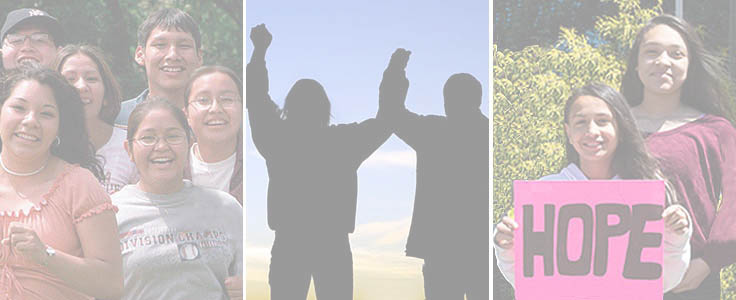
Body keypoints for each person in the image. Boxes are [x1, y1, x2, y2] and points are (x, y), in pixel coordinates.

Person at [493, 83, 692, 294]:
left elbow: (664, 281)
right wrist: (506, 247)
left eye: (603, 121)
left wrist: (676, 237)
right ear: (568, 132)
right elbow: (529, 280)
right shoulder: (543, 192)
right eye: (580, 122)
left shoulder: (647, 195)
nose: (591, 131)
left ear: (621, 129)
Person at [246, 24, 394, 299]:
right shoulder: (342, 142)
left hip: (289, 242)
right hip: (333, 244)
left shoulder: (278, 139)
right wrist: (394, 75)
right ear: (325, 109)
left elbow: (255, 98)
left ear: (290, 107)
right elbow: (386, 120)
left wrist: (259, 50)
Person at [620, 14, 736, 299]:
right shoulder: (610, 126)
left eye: (676, 53)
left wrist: (708, 263)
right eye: (651, 52)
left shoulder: (715, 130)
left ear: (689, 64)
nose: (663, 61)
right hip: (617, 276)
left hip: (690, 281)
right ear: (636, 64)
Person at [0, 64, 122, 299]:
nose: (30, 121)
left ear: (59, 127)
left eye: (46, 113)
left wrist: (45, 255)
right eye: (18, 107)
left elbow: (112, 286)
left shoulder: (79, 184)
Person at [381, 49, 489, 299]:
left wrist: (395, 71)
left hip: (441, 250)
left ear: (447, 100)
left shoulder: (433, 132)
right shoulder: (492, 136)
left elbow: (391, 111)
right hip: (480, 249)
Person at [112, 98, 242, 299]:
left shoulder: (225, 208)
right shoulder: (111, 213)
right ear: (129, 150)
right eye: (148, 138)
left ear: (189, 143)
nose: (162, 146)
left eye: (173, 136)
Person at [56, 44, 138, 194]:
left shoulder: (131, 146)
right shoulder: (45, 146)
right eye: (70, 79)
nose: (81, 86)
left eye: (91, 78)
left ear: (106, 94)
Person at [114, 7, 203, 126]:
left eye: (184, 46)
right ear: (140, 54)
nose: (173, 55)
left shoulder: (213, 119)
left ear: (199, 57)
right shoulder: (116, 119)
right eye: (160, 45)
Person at [184, 65, 242, 204]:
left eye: (227, 99)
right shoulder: (170, 167)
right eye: (203, 100)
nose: (216, 109)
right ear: (186, 114)